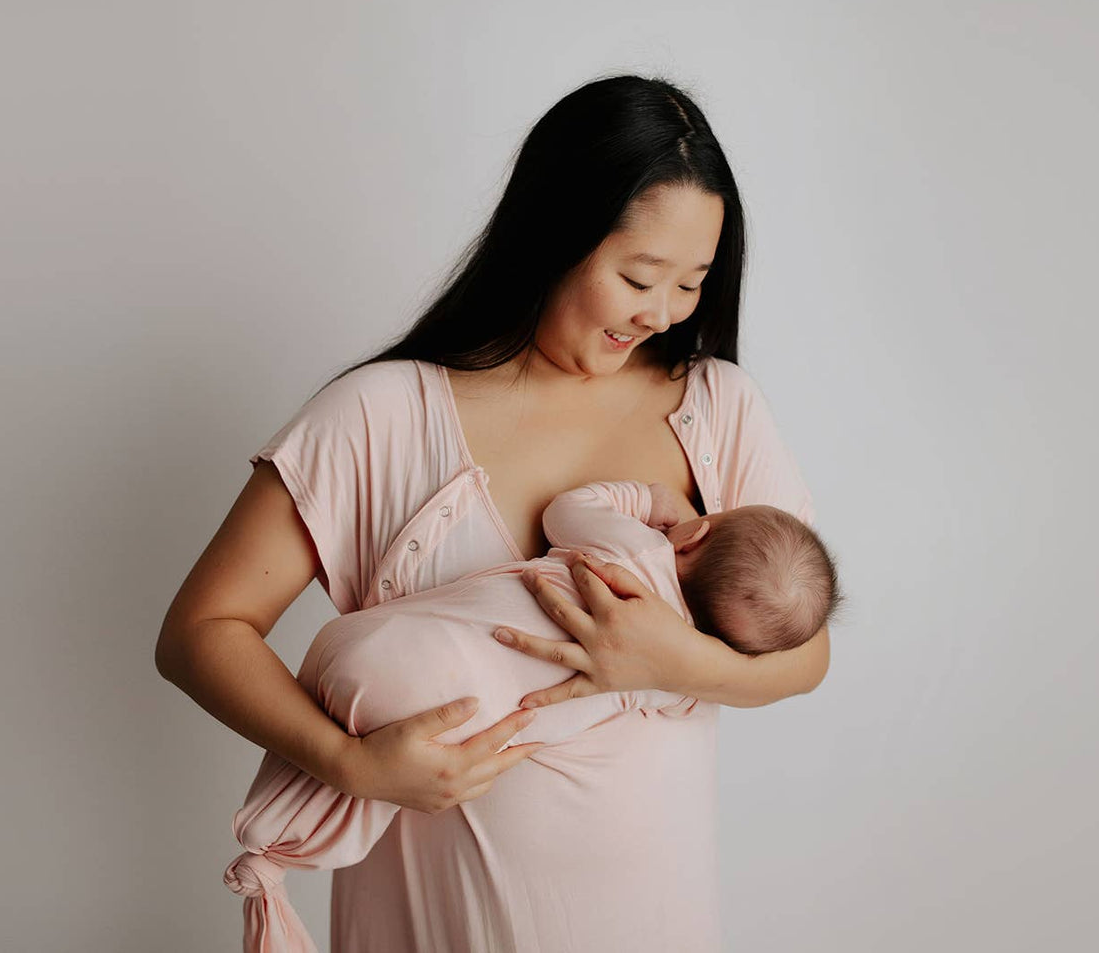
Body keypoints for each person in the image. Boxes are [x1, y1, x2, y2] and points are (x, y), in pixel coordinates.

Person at [155, 73, 833, 951]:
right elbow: (201, 630)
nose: (661, 313)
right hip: (435, 918)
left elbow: (805, 653)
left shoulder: (717, 408)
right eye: (638, 275)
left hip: (653, 914)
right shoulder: (383, 414)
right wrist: (348, 764)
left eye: (691, 283)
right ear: (554, 237)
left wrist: (677, 661)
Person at [220, 478, 842, 951]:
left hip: (379, 647)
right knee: (373, 783)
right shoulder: (659, 684)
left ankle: (271, 854)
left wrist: (647, 497)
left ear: (696, 535)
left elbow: (564, 513)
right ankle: (271, 861)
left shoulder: (634, 552)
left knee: (357, 727)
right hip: (437, 718)